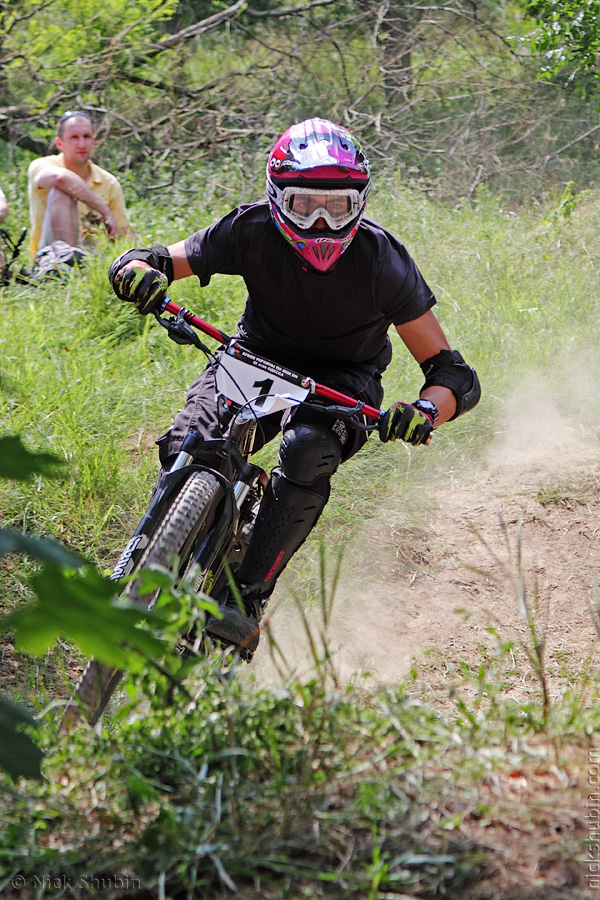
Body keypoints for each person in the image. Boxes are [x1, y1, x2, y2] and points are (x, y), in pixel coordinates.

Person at [108, 117, 481, 657]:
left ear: (362, 202)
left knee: (308, 452)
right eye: (306, 205)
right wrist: (136, 270)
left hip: (341, 383)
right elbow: (161, 258)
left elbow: (453, 374)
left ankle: (247, 595)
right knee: (187, 444)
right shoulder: (250, 228)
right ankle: (159, 548)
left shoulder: (383, 261)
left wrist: (425, 410)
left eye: (340, 206)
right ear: (276, 198)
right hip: (255, 357)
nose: (324, 223)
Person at [27, 110, 135, 262]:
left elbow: (124, 234)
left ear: (93, 141)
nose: (81, 144)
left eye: (86, 136)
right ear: (59, 143)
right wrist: (104, 211)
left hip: (94, 260)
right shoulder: (42, 165)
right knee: (63, 191)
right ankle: (65, 264)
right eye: (74, 138)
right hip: (49, 257)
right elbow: (60, 178)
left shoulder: (108, 182)